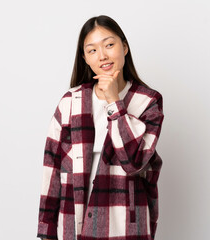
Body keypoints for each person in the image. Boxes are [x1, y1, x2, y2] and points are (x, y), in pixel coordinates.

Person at [37, 15, 164, 240]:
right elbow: (52, 168)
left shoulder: (148, 102)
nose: (102, 55)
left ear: (124, 47)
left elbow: (133, 163)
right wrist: (46, 231)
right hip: (74, 222)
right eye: (92, 50)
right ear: (85, 58)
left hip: (125, 226)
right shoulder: (70, 102)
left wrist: (115, 102)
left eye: (109, 45)